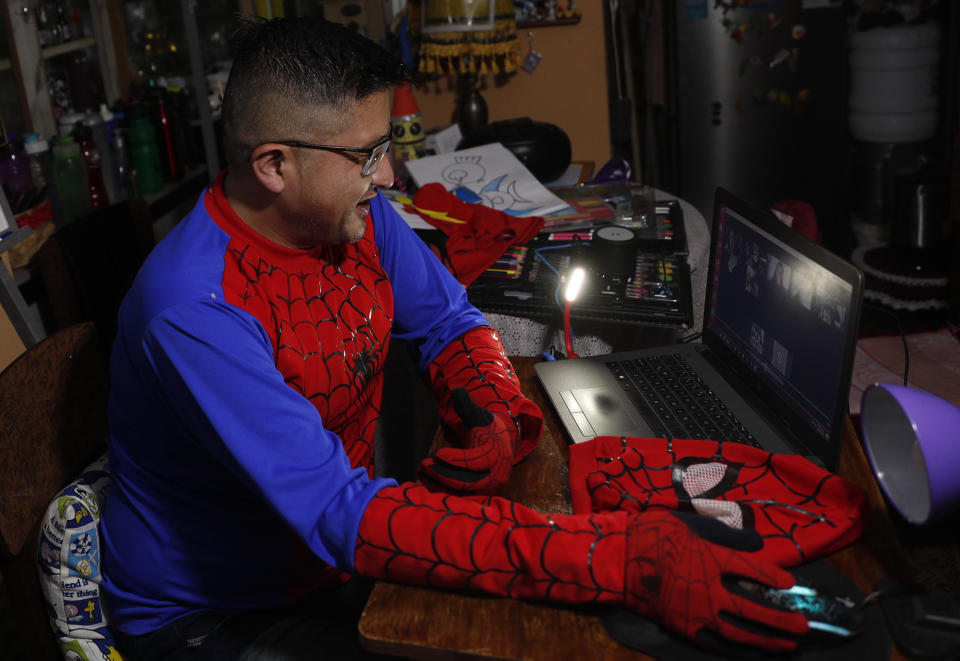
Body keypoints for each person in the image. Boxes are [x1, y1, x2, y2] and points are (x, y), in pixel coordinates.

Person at [101, 16, 811, 660]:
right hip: (214, 612)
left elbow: (448, 321)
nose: (387, 174)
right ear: (275, 165)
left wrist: (492, 403)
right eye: (367, 154)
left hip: (326, 555)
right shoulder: (194, 308)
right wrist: (613, 558)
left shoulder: (351, 214)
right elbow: (334, 508)